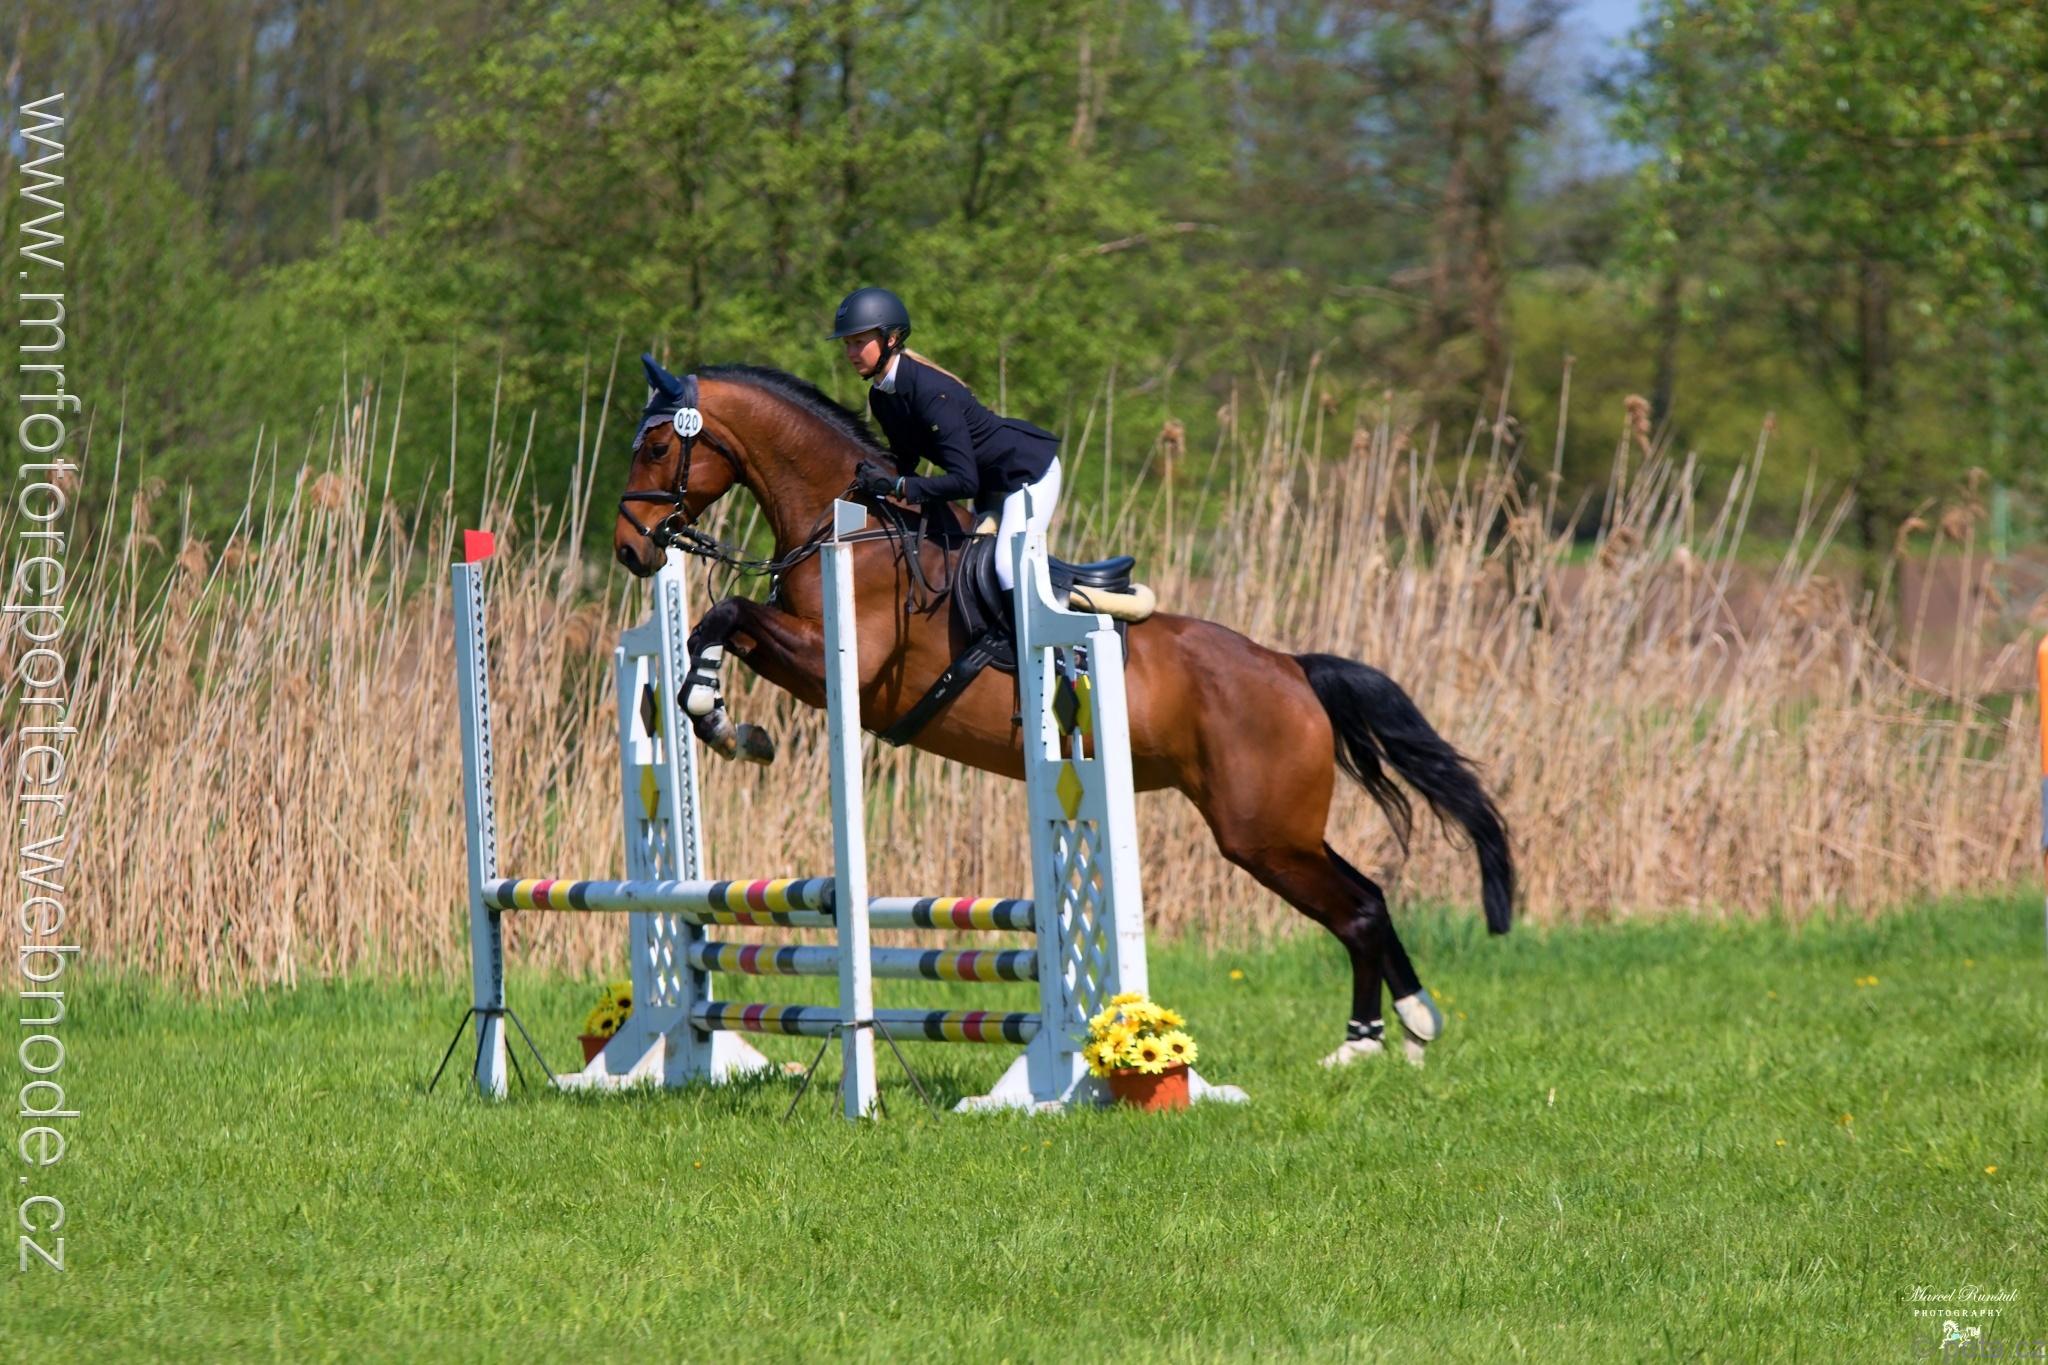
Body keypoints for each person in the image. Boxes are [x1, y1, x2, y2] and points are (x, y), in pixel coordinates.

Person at [829, 286, 1061, 591]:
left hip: (1027, 473)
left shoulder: (931, 393)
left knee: (1007, 567)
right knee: (967, 565)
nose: (850, 353)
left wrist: (899, 487)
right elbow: (905, 460)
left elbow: (964, 482)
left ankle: (1042, 622)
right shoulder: (882, 396)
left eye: (859, 342)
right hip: (990, 484)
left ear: (891, 339)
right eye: (847, 344)